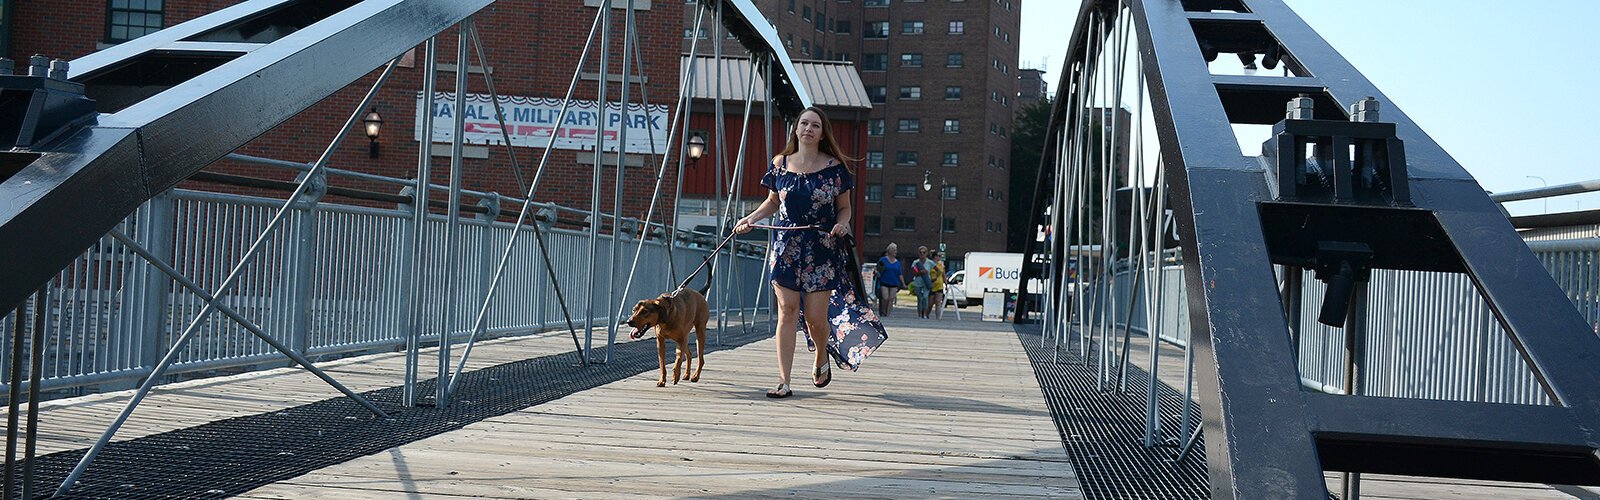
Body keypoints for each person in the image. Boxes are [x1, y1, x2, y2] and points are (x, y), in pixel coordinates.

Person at [733, 106, 855, 399]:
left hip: (821, 249)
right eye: (804, 123)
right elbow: (773, 202)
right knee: (787, 312)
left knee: (815, 318)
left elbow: (845, 208)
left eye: (815, 125)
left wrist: (842, 224)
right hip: (786, 247)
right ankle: (784, 380)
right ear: (796, 129)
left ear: (822, 132)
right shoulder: (780, 163)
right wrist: (750, 219)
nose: (808, 129)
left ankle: (820, 354)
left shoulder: (834, 167)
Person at [875, 243, 902, 317]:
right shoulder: (883, 260)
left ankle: (888, 314)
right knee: (885, 298)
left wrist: (903, 283)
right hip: (884, 282)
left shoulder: (898, 262)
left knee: (891, 299)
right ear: (889, 251)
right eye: (894, 250)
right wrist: (876, 272)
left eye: (896, 250)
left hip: (894, 283)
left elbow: (900, 274)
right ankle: (883, 311)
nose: (895, 252)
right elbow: (877, 268)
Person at [911, 246, 933, 318]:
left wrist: (934, 278)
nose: (922, 254)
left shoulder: (929, 262)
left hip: (926, 282)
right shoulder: (916, 262)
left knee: (925, 297)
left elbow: (938, 270)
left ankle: (925, 314)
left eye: (924, 252)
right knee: (920, 298)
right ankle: (920, 314)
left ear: (926, 253)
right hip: (918, 282)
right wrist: (920, 272)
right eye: (920, 252)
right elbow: (913, 272)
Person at [929, 251, 948, 319]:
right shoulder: (930, 264)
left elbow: (944, 275)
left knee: (938, 302)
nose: (940, 258)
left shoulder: (941, 265)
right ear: (935, 257)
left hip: (939, 285)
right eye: (938, 256)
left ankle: (938, 317)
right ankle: (927, 314)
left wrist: (946, 284)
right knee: (930, 303)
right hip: (931, 285)